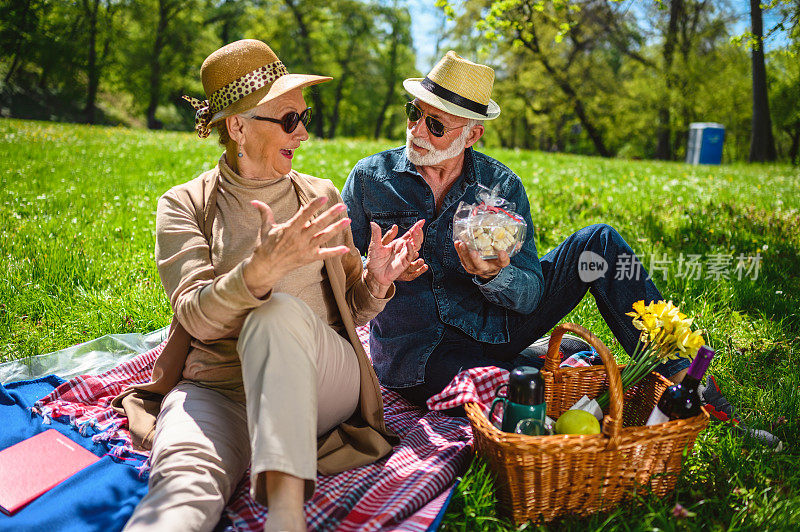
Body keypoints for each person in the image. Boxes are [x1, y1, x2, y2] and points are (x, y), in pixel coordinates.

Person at [117, 40, 418, 532]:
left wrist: (378, 281)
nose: (301, 134)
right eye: (286, 120)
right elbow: (194, 314)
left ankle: (285, 516)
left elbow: (353, 309)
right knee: (178, 493)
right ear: (237, 127)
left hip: (321, 381)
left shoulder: (320, 196)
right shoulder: (183, 205)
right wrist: (260, 270)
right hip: (220, 390)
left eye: (304, 118)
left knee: (276, 314)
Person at [342, 51, 693, 411]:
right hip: (420, 354)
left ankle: (686, 380)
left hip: (498, 327)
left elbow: (530, 294)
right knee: (523, 397)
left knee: (597, 244)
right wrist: (377, 274)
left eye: (435, 125)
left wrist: (496, 274)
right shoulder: (371, 179)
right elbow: (339, 281)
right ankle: (532, 364)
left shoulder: (500, 184)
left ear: (472, 134)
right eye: (414, 113)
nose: (416, 130)